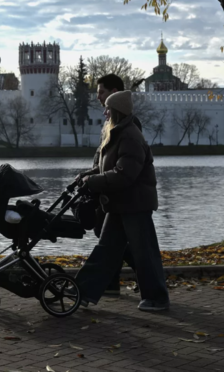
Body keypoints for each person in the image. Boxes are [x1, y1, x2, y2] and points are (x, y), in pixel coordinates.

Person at [76, 90, 169, 311]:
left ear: (116, 112)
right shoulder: (118, 133)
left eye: (108, 108)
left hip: (135, 205)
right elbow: (108, 168)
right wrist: (87, 176)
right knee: (106, 249)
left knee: (144, 251)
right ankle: (82, 291)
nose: (104, 112)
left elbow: (125, 175)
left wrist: (94, 181)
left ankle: (157, 298)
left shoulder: (129, 136)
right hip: (120, 204)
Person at [74, 74, 139, 296]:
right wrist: (89, 174)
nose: (98, 97)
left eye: (101, 92)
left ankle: (136, 278)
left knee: (110, 239)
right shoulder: (112, 121)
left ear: (114, 93)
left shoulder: (128, 124)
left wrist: (94, 178)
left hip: (117, 193)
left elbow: (124, 165)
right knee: (108, 237)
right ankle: (112, 283)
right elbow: (104, 160)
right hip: (106, 188)